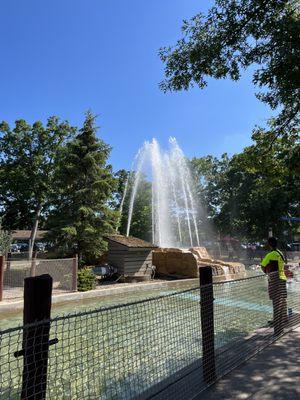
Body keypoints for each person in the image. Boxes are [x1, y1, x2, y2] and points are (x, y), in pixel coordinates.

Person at [261, 237, 287, 330]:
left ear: (269, 244)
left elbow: (263, 265)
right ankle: (284, 318)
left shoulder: (271, 254)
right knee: (282, 299)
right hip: (283, 278)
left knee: (276, 301)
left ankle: (276, 321)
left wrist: (267, 271)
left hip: (275, 279)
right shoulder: (280, 253)